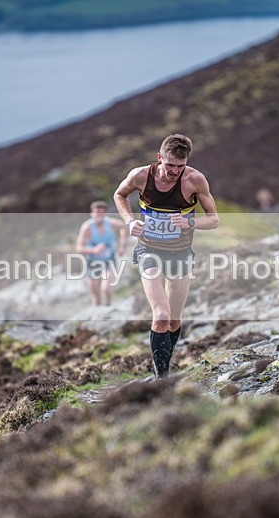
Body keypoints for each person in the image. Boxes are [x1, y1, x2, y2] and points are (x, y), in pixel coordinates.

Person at [114, 134, 219, 378]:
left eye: (180, 166)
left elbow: (214, 219)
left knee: (173, 320)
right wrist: (130, 222)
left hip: (181, 254)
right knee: (160, 316)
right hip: (149, 250)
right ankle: (162, 379)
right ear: (160, 158)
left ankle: (164, 364)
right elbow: (119, 195)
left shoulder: (194, 180)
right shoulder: (140, 175)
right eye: (170, 165)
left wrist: (189, 221)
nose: (174, 171)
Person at [75, 200, 128, 306]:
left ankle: (108, 308)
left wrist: (122, 246)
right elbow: (79, 248)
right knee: (96, 297)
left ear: (105, 213)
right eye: (96, 212)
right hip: (93, 262)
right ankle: (98, 316)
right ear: (91, 213)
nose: (99, 215)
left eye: (101, 212)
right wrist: (94, 250)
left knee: (106, 288)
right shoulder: (87, 227)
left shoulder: (110, 223)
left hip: (109, 261)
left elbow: (124, 226)